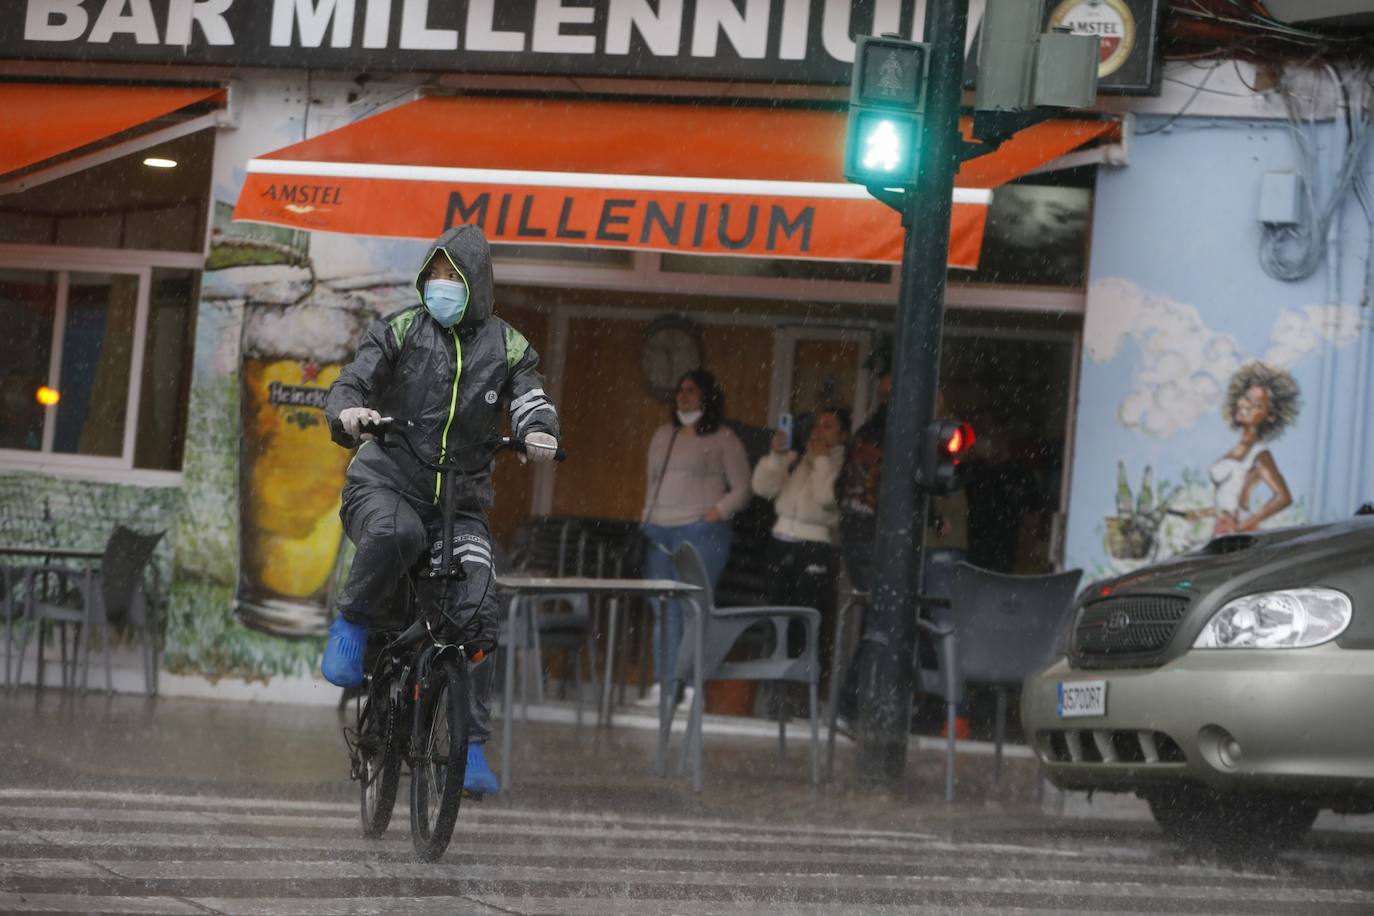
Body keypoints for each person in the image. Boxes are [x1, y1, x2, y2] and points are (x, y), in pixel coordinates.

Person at [322, 225, 560, 795]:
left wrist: (538, 430)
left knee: (478, 600)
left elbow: (531, 398)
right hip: (385, 485)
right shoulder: (399, 330)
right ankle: (351, 622)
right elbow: (352, 381)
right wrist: (351, 410)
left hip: (460, 506)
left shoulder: (510, 346)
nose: (442, 288)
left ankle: (470, 748)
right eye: (434, 277)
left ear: (475, 283)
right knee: (394, 531)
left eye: (453, 278)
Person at [641, 370, 751, 700]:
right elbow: (652, 480)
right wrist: (645, 518)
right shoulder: (664, 434)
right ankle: (665, 684)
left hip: (701, 530)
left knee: (693, 608)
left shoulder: (723, 438)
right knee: (663, 608)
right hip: (659, 529)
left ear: (707, 397)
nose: (683, 395)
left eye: (691, 390)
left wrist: (715, 513)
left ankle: (690, 687)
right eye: (680, 390)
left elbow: (743, 488)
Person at [752, 406, 850, 682]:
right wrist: (776, 457)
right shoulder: (797, 459)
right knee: (777, 618)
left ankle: (804, 691)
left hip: (816, 547)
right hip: (781, 542)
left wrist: (822, 460)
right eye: (817, 425)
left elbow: (826, 498)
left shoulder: (843, 466)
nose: (819, 431)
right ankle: (776, 688)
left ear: (842, 435)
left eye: (828, 426)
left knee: (808, 623)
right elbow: (761, 488)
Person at [1189, 361, 1299, 535]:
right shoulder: (1235, 449)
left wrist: (1243, 526)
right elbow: (1228, 501)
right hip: (1221, 528)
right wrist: (1198, 513)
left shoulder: (1260, 454)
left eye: (1257, 405)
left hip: (1235, 534)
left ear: (1270, 416)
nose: (1246, 406)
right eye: (1247, 398)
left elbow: (1283, 497)